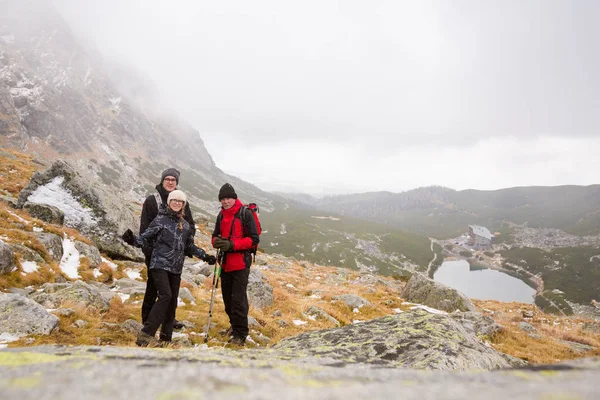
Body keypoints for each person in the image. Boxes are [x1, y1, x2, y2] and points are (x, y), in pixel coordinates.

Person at [122, 190, 216, 346]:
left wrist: (205, 256)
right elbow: (145, 238)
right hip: (159, 264)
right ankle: (146, 334)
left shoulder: (185, 225)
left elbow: (190, 246)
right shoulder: (160, 220)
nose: (177, 203)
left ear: (183, 205)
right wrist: (133, 240)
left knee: (172, 302)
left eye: (180, 201)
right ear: (169, 202)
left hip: (176, 268)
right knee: (165, 295)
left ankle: (166, 339)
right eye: (174, 200)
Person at [140, 168, 195, 329]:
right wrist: (149, 253)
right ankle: (147, 320)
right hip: (155, 256)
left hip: (175, 257)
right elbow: (144, 230)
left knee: (171, 290)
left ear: (177, 182)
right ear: (162, 181)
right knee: (153, 287)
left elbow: (190, 225)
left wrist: (186, 245)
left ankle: (169, 320)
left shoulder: (182, 201)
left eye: (173, 180)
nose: (170, 182)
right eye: (167, 179)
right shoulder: (152, 201)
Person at [211, 183, 260, 345]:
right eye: (223, 199)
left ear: (234, 198)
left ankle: (241, 334)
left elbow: (253, 239)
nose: (225, 201)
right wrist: (216, 242)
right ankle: (234, 327)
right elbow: (214, 236)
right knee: (227, 299)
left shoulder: (245, 214)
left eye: (228, 198)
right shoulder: (221, 215)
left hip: (240, 264)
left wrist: (232, 245)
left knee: (238, 300)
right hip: (225, 264)